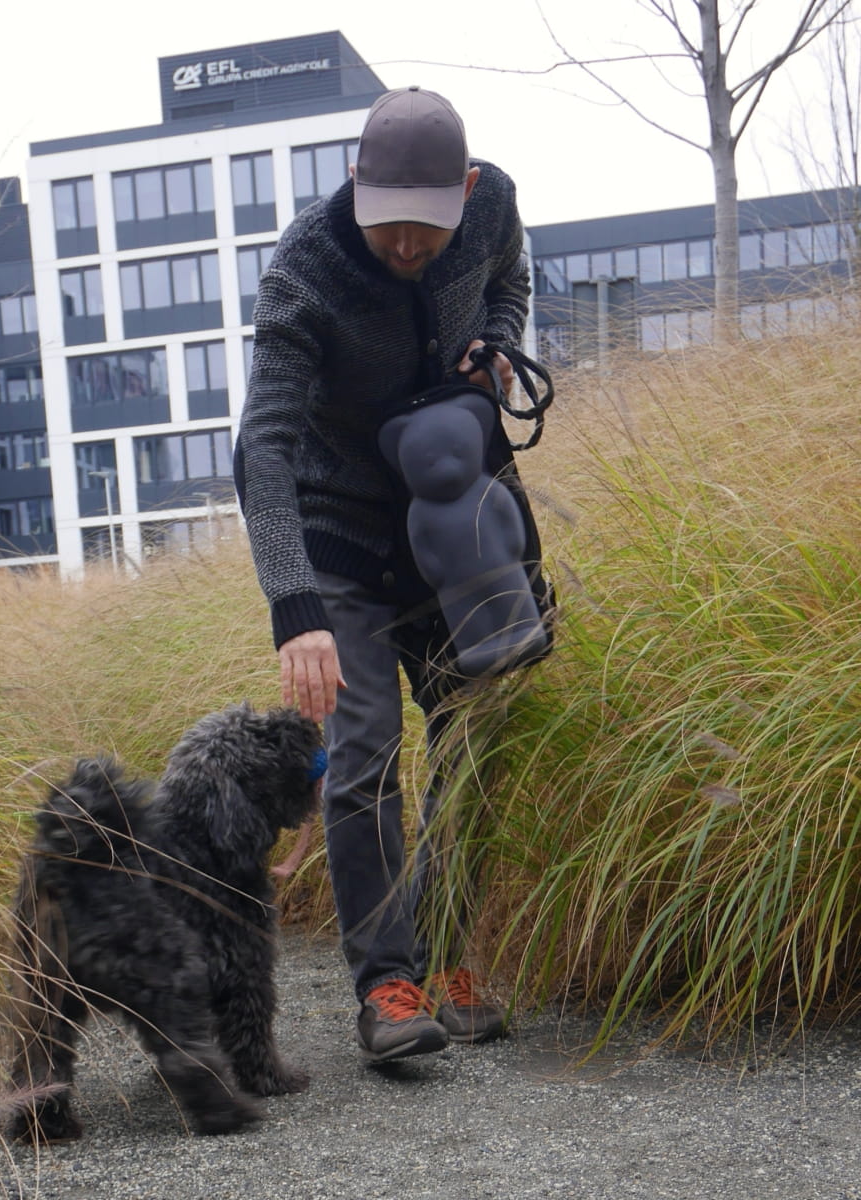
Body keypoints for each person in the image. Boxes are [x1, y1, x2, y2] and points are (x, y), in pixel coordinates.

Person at [233, 85, 529, 1063]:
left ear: (466, 192)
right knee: (362, 754)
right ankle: (388, 986)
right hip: (340, 533)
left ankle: (450, 955)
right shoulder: (306, 270)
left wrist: (497, 344)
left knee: (472, 740)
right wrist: (296, 608)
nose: (405, 244)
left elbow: (510, 278)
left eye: (427, 226)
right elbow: (264, 448)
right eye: (386, 221)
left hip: (451, 526)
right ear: (355, 180)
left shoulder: (493, 204)